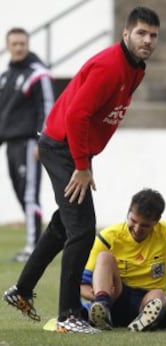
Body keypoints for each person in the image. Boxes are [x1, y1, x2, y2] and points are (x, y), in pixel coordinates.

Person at [3, 6, 161, 334]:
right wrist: (81, 166)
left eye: (153, 35)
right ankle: (68, 315)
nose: (147, 40)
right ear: (125, 34)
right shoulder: (110, 65)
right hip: (60, 146)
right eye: (141, 33)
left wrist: (85, 159)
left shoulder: (137, 67)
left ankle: (21, 289)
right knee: (84, 230)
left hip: (70, 149)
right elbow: (76, 115)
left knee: (64, 224)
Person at [80, 188, 166, 332]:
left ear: (156, 221)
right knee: (104, 257)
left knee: (159, 296)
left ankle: (144, 321)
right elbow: (82, 286)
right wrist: (104, 297)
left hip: (148, 300)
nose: (137, 228)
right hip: (116, 298)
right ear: (128, 212)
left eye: (145, 225)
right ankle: (102, 309)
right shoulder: (108, 237)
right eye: (133, 221)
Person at [0, 27, 54, 262]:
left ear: (28, 44)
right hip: (11, 146)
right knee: (21, 193)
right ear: (8, 46)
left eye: (23, 43)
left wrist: (42, 141)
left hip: (29, 143)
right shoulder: (5, 77)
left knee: (30, 195)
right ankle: (39, 243)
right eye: (15, 44)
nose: (19, 47)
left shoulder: (38, 74)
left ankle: (33, 246)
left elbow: (48, 107)